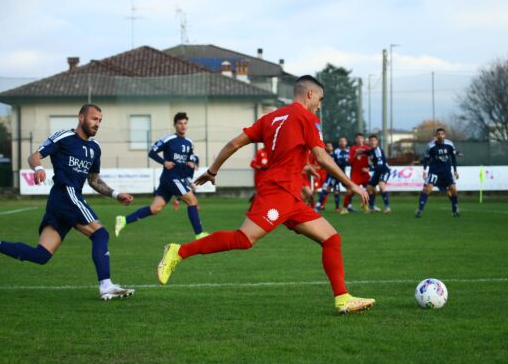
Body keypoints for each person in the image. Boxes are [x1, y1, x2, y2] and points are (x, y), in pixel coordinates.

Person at [156, 75, 375, 315]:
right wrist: (352, 185)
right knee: (244, 239)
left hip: (291, 198)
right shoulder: (307, 118)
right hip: (278, 193)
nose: (319, 106)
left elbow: (234, 144)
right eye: (320, 99)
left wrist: (212, 170)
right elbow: (322, 156)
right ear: (310, 94)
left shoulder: (270, 118)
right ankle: (179, 251)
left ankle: (342, 298)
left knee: (331, 239)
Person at [0, 104, 135, 300]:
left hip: (62, 201)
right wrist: (38, 168)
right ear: (81, 117)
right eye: (93, 119)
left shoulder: (95, 148)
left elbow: (94, 180)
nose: (97, 123)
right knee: (100, 234)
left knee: (41, 255)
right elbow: (34, 156)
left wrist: (116, 194)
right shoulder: (64, 137)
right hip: (66, 194)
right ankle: (106, 285)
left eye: (100, 121)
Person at [115, 112, 208, 240]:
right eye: (180, 123)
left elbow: (189, 157)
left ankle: (124, 220)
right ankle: (199, 234)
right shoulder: (168, 139)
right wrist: (163, 162)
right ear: (175, 125)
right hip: (171, 178)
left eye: (185, 123)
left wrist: (191, 163)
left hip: (174, 179)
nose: (183, 126)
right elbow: (152, 152)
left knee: (155, 209)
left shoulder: (189, 143)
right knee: (192, 200)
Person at [415, 128, 459, 218]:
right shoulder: (431, 146)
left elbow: (453, 157)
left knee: (453, 190)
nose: (440, 136)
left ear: (444, 135)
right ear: (436, 135)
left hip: (446, 172)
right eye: (438, 134)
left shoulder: (449, 144)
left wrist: (455, 170)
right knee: (427, 189)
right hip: (434, 171)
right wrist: (424, 170)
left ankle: (454, 210)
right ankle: (420, 210)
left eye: (442, 134)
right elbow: (426, 158)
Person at [315, 137, 349, 212]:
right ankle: (318, 205)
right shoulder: (336, 152)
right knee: (328, 189)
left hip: (342, 175)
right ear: (339, 143)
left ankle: (346, 206)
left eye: (344, 141)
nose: (342, 142)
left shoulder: (348, 152)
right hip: (334, 174)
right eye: (341, 141)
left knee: (347, 190)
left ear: (346, 142)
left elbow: (349, 161)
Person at [340, 133, 370, 214]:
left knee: (370, 189)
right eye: (358, 138)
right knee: (350, 191)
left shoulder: (367, 148)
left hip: (365, 174)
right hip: (355, 174)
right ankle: (344, 208)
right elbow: (349, 161)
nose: (360, 140)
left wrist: (368, 168)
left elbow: (371, 161)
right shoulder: (353, 148)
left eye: (361, 138)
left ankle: (366, 205)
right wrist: (356, 154)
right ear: (356, 140)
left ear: (363, 139)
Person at [366, 134, 391, 214]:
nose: (373, 142)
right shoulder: (371, 150)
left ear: (377, 142)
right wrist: (360, 152)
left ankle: (387, 208)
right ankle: (372, 207)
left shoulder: (378, 150)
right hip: (377, 172)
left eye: (374, 140)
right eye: (371, 140)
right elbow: (367, 152)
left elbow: (380, 165)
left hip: (384, 171)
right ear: (369, 142)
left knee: (381, 185)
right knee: (369, 188)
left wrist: (369, 169)